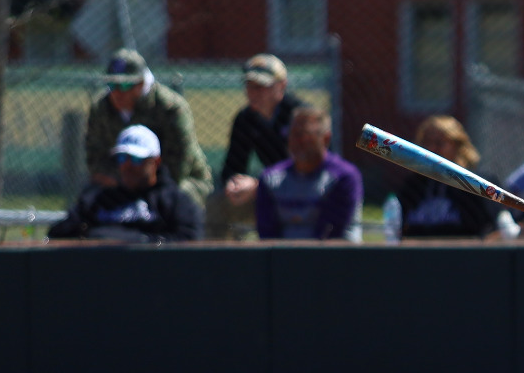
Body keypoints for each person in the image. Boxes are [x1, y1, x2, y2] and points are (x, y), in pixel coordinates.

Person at [84, 49, 212, 208]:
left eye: (124, 85)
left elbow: (178, 164)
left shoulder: (170, 107)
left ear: (141, 84)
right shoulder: (101, 108)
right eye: (111, 84)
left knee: (173, 201)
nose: (116, 92)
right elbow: (95, 157)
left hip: (176, 182)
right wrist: (122, 181)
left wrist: (144, 186)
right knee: (91, 199)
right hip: (121, 182)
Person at [49, 125, 204, 243]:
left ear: (155, 162)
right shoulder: (98, 199)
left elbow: (188, 241)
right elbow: (58, 235)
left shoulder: (175, 202)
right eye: (122, 158)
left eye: (136, 159)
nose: (127, 166)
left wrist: (140, 242)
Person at [211, 54, 306, 235]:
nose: (253, 92)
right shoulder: (245, 119)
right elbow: (232, 167)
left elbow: (307, 172)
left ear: (282, 86)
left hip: (302, 194)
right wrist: (234, 185)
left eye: (261, 86)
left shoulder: (300, 117)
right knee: (216, 205)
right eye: (249, 85)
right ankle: (219, 260)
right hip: (267, 192)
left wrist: (258, 185)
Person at [385, 115, 518, 242]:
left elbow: (504, 231)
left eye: (439, 143)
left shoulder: (477, 184)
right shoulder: (413, 186)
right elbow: (395, 235)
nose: (431, 148)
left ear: (457, 146)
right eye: (426, 142)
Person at [254, 106, 363, 241]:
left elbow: (330, 232)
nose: (297, 142)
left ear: (326, 138)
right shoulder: (270, 179)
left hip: (332, 257)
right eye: (293, 134)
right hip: (282, 258)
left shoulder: (343, 177)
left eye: (305, 136)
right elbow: (267, 233)